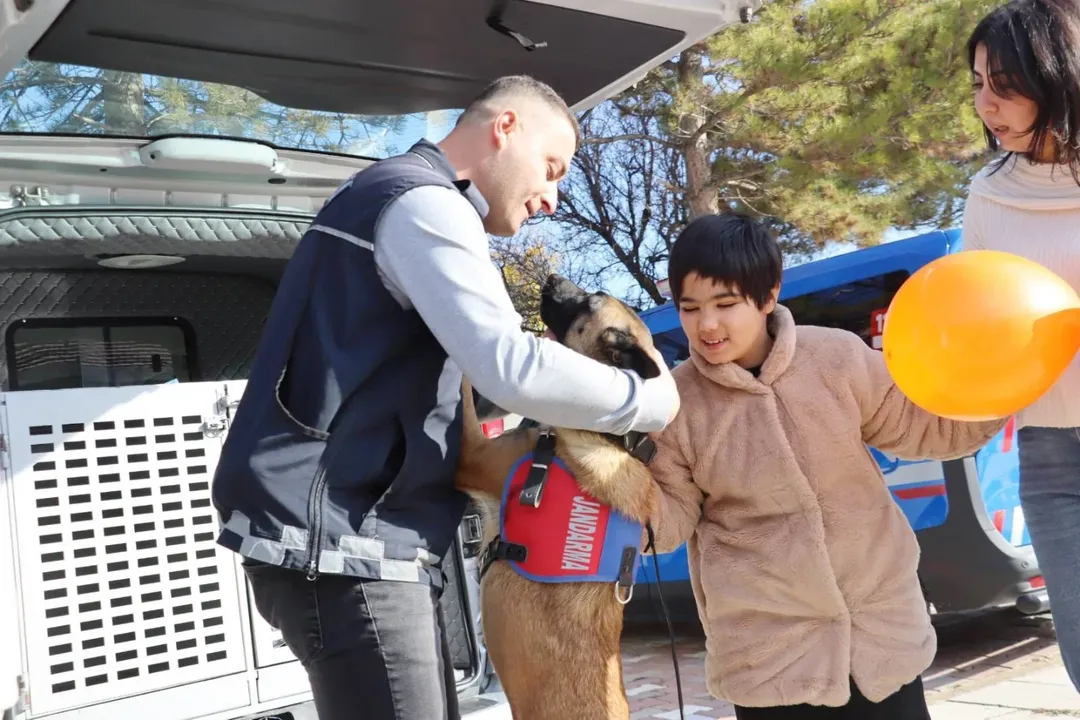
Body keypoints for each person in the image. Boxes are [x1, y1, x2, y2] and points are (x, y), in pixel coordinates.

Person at [210, 75, 680, 720]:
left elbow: (442, 385)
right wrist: (651, 400)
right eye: (551, 167)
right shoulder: (423, 204)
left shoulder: (391, 197)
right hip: (346, 544)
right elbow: (509, 366)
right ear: (504, 127)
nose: (551, 197)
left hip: (359, 544)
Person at [645, 213, 1007, 719]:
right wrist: (609, 478)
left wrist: (1000, 387)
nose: (707, 324)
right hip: (769, 661)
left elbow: (927, 428)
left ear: (768, 296)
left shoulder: (836, 357)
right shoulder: (674, 405)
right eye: (690, 308)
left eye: (725, 304)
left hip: (882, 642)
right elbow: (665, 522)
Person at [961, 0, 1080, 691]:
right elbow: (981, 312)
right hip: (1048, 452)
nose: (985, 103)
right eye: (977, 83)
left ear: (1054, 74)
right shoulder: (988, 195)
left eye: (1002, 82)